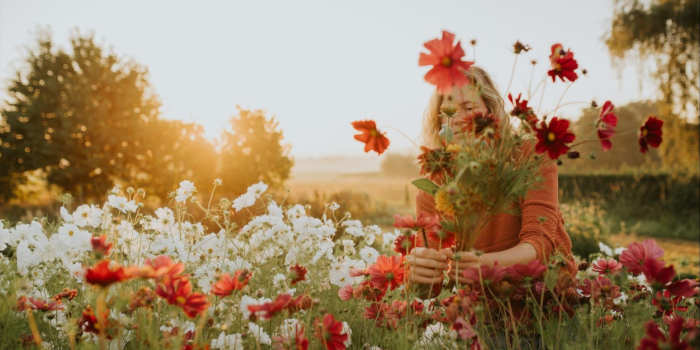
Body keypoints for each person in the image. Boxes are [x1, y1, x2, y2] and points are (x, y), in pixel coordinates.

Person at [406, 65, 576, 289]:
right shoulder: (436, 178)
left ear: (491, 110)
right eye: (449, 111)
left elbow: (540, 246)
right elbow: (427, 291)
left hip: (544, 294)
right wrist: (420, 272)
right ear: (439, 121)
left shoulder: (528, 154)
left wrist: (486, 265)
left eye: (468, 107)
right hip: (480, 303)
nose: (457, 119)